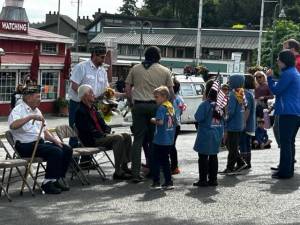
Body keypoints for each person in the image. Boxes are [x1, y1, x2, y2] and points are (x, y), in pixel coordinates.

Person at [8, 84, 72, 194]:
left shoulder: (37, 110)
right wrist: (30, 117)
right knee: (55, 152)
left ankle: (57, 178)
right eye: (37, 97)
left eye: (40, 96)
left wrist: (55, 140)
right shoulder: (18, 110)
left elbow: (44, 131)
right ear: (28, 98)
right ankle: (47, 183)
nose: (40, 99)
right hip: (25, 146)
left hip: (39, 143)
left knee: (66, 148)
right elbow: (13, 126)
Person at [125, 46, 174, 183]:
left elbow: (127, 87)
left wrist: (131, 102)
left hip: (139, 106)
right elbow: (170, 93)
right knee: (154, 139)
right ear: (158, 57)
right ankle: (154, 170)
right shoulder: (164, 70)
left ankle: (135, 173)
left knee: (138, 140)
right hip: (155, 107)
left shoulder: (135, 68)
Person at [75, 84, 132, 180]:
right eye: (91, 93)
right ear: (85, 96)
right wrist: (104, 135)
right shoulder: (80, 111)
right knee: (118, 138)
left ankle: (124, 167)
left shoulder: (93, 108)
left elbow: (103, 124)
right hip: (92, 139)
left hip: (101, 136)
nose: (93, 95)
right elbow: (88, 130)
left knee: (127, 135)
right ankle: (118, 172)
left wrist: (107, 131)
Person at [266, 49, 300, 179]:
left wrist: (269, 78)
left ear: (284, 61)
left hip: (287, 112)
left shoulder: (287, 74)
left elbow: (276, 90)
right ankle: (288, 168)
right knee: (289, 142)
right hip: (295, 111)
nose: (277, 61)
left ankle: (285, 171)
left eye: (278, 59)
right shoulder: (294, 72)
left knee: (286, 143)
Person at [68, 46, 109, 148]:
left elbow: (106, 89)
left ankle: (86, 162)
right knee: (75, 133)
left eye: (104, 57)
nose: (103, 60)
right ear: (94, 55)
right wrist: (85, 97)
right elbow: (74, 85)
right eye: (102, 57)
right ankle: (73, 161)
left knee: (90, 133)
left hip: (93, 105)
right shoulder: (81, 67)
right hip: (77, 104)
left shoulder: (103, 71)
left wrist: (114, 95)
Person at [193, 80, 224, 187]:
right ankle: (213, 179)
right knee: (213, 156)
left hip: (205, 134)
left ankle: (203, 179)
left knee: (202, 157)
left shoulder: (205, 104)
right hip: (217, 132)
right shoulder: (220, 105)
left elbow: (198, 117)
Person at [221, 74, 248, 175]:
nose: (229, 82)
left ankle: (230, 167)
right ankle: (240, 163)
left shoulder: (233, 94)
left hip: (233, 124)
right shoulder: (240, 92)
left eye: (230, 81)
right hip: (239, 123)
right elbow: (243, 107)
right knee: (233, 146)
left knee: (231, 147)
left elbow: (231, 111)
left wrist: (225, 118)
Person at [150, 86, 175, 189]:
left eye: (156, 97)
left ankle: (156, 182)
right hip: (169, 138)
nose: (155, 99)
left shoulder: (161, 108)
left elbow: (160, 122)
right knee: (165, 161)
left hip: (160, 139)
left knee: (155, 160)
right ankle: (168, 182)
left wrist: (153, 120)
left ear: (164, 96)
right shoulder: (170, 106)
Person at [239, 75, 256, 169]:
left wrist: (243, 122)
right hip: (250, 123)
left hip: (246, 123)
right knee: (247, 143)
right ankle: (247, 163)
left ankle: (244, 163)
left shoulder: (245, 93)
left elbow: (247, 109)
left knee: (243, 143)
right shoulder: (250, 93)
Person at [170, 78, 185, 175]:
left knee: (170, 146)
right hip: (177, 124)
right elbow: (182, 111)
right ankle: (174, 166)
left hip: (172, 125)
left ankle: (174, 167)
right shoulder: (180, 98)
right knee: (172, 146)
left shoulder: (172, 99)